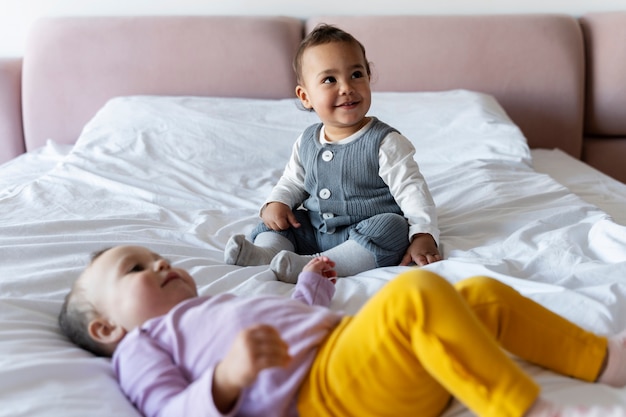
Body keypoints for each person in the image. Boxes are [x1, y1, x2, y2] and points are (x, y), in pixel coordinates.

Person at [59, 244, 626, 417]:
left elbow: (297, 321)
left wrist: (311, 289)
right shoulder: (143, 346)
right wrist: (226, 378)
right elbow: (168, 411)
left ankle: (601, 361)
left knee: (478, 296)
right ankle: (523, 409)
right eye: (136, 269)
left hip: (356, 359)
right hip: (323, 395)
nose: (161, 265)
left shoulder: (213, 306)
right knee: (416, 293)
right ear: (107, 326)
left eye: (159, 257)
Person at [224, 24, 441, 283]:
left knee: (393, 227)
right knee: (278, 222)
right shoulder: (306, 141)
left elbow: (412, 191)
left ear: (369, 77)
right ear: (306, 96)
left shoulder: (385, 141)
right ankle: (267, 254)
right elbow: (293, 181)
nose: (346, 87)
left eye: (356, 74)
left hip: (364, 233)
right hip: (317, 229)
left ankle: (314, 266)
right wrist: (277, 203)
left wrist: (423, 234)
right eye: (329, 80)